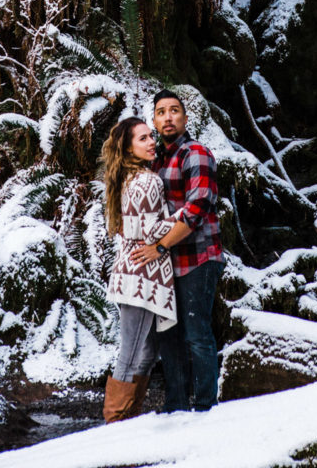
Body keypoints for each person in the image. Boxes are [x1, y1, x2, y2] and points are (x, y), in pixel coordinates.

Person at [130, 89, 224, 412]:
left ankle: (206, 408)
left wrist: (158, 245)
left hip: (198, 257)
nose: (167, 117)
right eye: (160, 112)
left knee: (197, 333)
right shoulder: (154, 161)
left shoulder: (195, 154)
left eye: (174, 111)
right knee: (168, 336)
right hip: (166, 264)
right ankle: (176, 407)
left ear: (185, 118)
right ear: (154, 120)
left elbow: (196, 210)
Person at [100, 115, 178, 423]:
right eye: (143, 138)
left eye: (151, 137)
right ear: (129, 148)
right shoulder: (148, 180)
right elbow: (150, 231)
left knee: (145, 353)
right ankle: (114, 425)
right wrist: (183, 215)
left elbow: (129, 228)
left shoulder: (126, 178)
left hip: (130, 273)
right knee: (132, 354)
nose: (151, 142)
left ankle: (127, 421)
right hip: (143, 275)